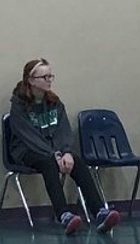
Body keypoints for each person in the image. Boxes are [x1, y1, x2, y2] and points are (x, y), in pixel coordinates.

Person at [7, 59, 121, 235]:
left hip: (55, 150)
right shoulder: (18, 106)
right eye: (44, 76)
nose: (49, 80)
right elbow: (29, 137)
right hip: (26, 151)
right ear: (31, 80)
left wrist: (66, 152)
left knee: (76, 161)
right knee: (47, 163)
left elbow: (63, 131)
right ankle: (64, 215)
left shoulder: (55, 103)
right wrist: (54, 155)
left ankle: (99, 211)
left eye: (50, 75)